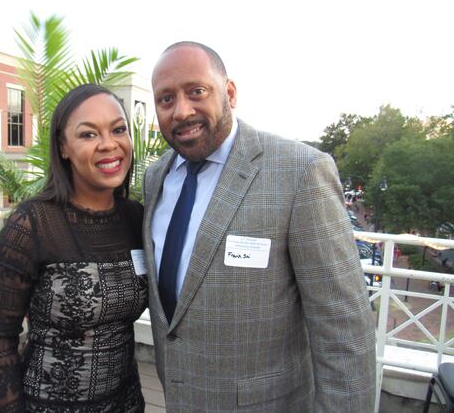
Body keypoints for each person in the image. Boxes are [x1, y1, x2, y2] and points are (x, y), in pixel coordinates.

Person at [142, 42, 376, 412]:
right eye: (166, 99)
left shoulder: (299, 172)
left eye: (196, 91)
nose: (182, 111)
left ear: (229, 93)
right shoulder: (155, 178)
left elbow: (342, 328)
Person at [0, 84, 147, 412]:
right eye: (88, 135)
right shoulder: (31, 225)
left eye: (118, 129)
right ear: (63, 147)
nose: (109, 144)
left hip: (126, 403)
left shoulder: (136, 219)